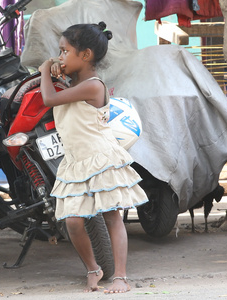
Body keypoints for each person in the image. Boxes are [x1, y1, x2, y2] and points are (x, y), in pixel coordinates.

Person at [38, 22, 149, 293]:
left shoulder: (93, 86)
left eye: (64, 51)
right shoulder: (72, 83)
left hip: (100, 157)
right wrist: (55, 64)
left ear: (85, 55)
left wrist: (44, 69)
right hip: (76, 161)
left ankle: (120, 276)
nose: (60, 58)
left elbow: (49, 99)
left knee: (113, 217)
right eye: (59, 53)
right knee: (73, 222)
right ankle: (93, 268)